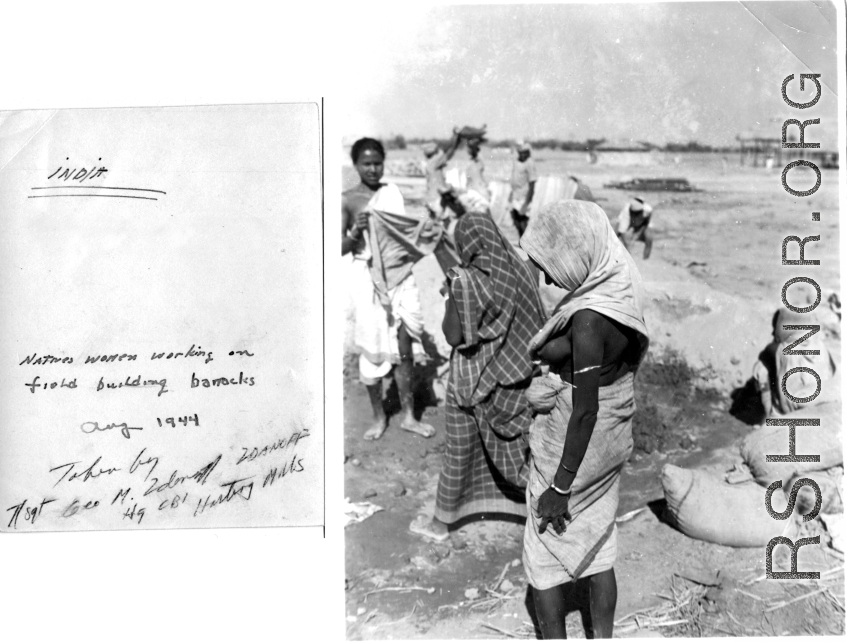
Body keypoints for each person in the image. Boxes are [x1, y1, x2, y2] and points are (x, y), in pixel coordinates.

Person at [518, 200, 650, 639]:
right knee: (599, 544)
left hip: (577, 445)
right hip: (612, 438)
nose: (546, 278)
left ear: (576, 253)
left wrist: (559, 488)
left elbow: (585, 408)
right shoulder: (618, 287)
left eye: (551, 265)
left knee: (544, 550)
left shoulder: (589, 319)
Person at [409, 195, 546, 542]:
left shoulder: (465, 282)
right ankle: (537, 511)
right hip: (518, 377)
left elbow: (453, 336)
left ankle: (442, 523)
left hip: (473, 381)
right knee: (519, 451)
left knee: (460, 449)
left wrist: (449, 299)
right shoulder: (524, 270)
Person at [342, 137, 437, 441]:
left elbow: (400, 235)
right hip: (367, 279)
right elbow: (338, 247)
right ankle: (379, 417)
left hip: (397, 276)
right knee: (371, 348)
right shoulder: (347, 199)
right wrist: (356, 231)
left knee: (404, 346)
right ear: (355, 165)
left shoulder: (391, 193)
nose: (372, 169)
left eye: (377, 163)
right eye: (366, 163)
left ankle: (409, 416)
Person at [752, 285, 837, 418]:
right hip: (823, 405)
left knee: (761, 369)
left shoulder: (781, 348)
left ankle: (769, 417)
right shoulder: (821, 345)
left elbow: (775, 341)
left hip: (792, 411)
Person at [509, 141, 538, 237]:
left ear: (528, 153)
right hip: (515, 195)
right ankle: (521, 239)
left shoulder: (529, 163)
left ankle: (526, 243)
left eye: (524, 152)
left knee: (523, 220)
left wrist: (527, 202)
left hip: (524, 196)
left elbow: (532, 183)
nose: (522, 155)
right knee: (515, 218)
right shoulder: (517, 162)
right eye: (521, 152)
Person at [464, 128, 491, 203]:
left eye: (469, 149)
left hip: (479, 191)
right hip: (473, 189)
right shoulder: (471, 160)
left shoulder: (478, 159)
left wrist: (471, 141)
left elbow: (473, 150)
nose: (468, 151)